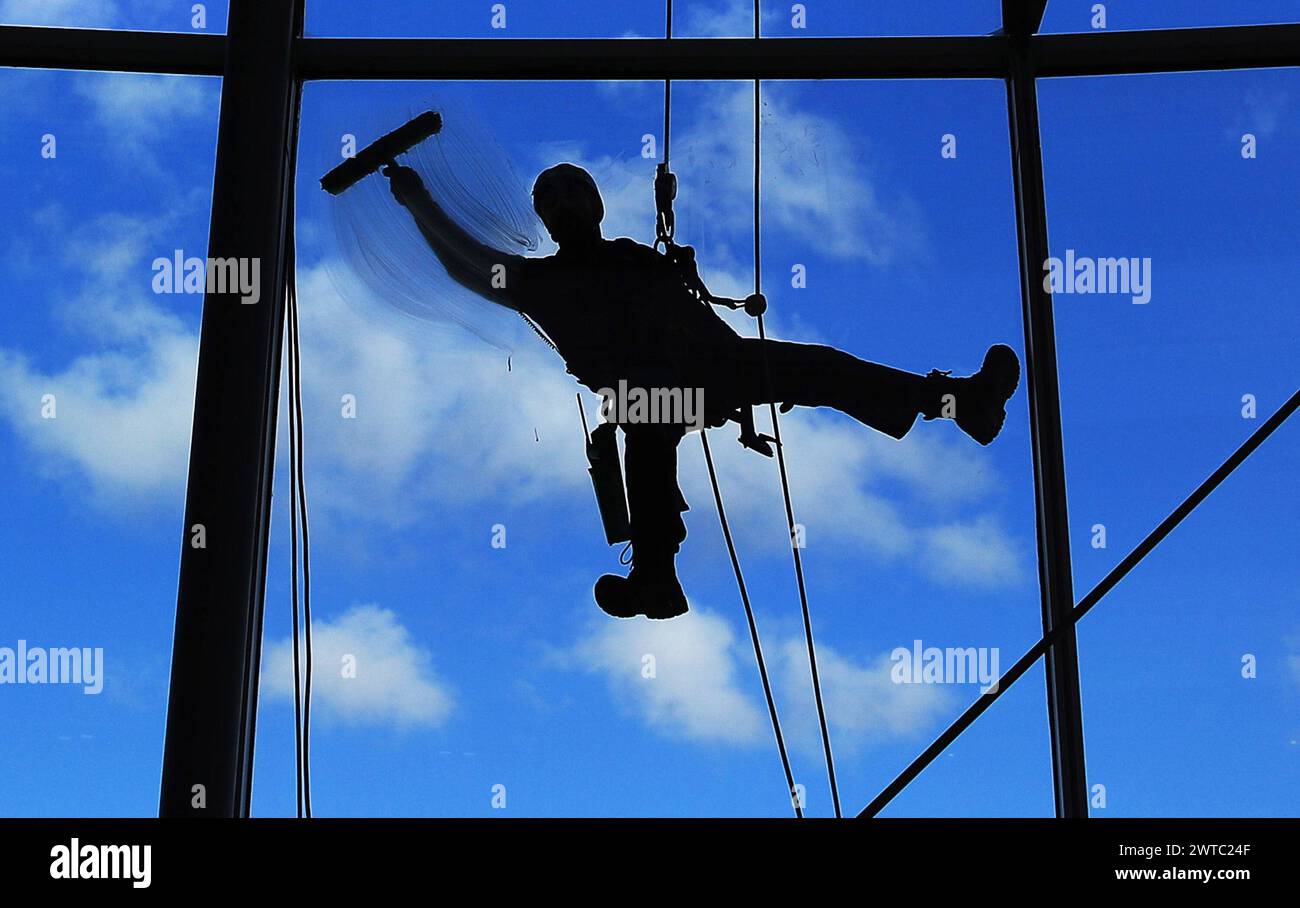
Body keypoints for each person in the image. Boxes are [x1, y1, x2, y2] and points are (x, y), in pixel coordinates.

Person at [384, 161, 1021, 620]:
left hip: (714, 369)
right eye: (557, 203)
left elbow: (467, 261)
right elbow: (462, 261)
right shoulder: (537, 281)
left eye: (574, 197)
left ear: (593, 209)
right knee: (649, 423)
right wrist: (417, 203)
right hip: (669, 390)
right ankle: (655, 574)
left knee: (821, 368)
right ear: (549, 221)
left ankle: (958, 401)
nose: (568, 209)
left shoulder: (632, 261)